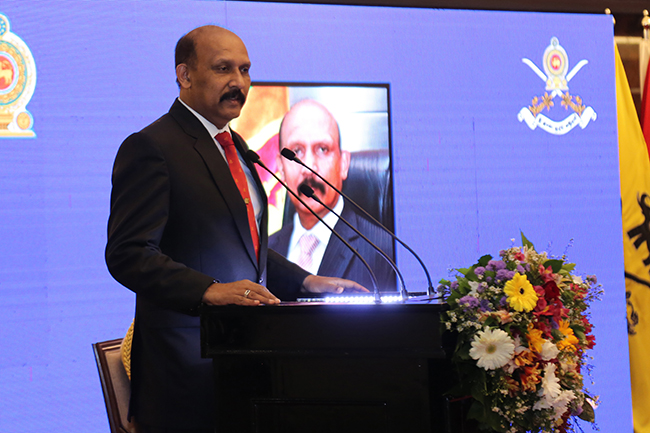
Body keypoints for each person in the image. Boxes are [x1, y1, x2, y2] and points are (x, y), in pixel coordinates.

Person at [105, 26, 366, 433]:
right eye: (223, 69)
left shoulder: (237, 147)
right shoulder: (152, 147)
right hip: (184, 376)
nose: (239, 83)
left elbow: (250, 247)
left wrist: (308, 281)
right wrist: (208, 290)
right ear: (185, 75)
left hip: (245, 369)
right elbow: (127, 253)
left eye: (245, 70)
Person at [269, 99, 396, 292]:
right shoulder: (264, 252)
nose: (309, 167)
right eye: (296, 151)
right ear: (281, 168)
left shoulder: (383, 249)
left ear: (343, 164)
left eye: (322, 149)